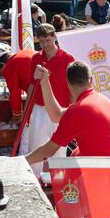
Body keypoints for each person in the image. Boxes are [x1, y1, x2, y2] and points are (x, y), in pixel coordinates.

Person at [25, 61, 110, 165]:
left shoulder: (77, 110)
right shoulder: (103, 99)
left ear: (67, 84)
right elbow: (56, 115)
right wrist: (44, 81)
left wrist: (20, 162)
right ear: (91, 80)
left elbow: (48, 151)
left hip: (104, 170)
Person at [27, 23, 75, 178]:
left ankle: (61, 182)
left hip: (60, 110)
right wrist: (26, 110)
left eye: (48, 40)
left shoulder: (68, 58)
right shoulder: (36, 58)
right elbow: (30, 86)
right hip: (40, 108)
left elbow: (74, 87)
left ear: (54, 37)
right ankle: (33, 181)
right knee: (35, 145)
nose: (45, 45)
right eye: (41, 42)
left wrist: (73, 109)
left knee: (59, 148)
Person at [0, 49, 38, 155]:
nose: (3, 75)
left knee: (25, 125)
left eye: (0, 72)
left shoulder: (9, 67)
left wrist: (17, 117)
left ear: (2, 65)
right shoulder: (24, 52)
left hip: (38, 92)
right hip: (47, 87)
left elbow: (15, 95)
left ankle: (23, 154)